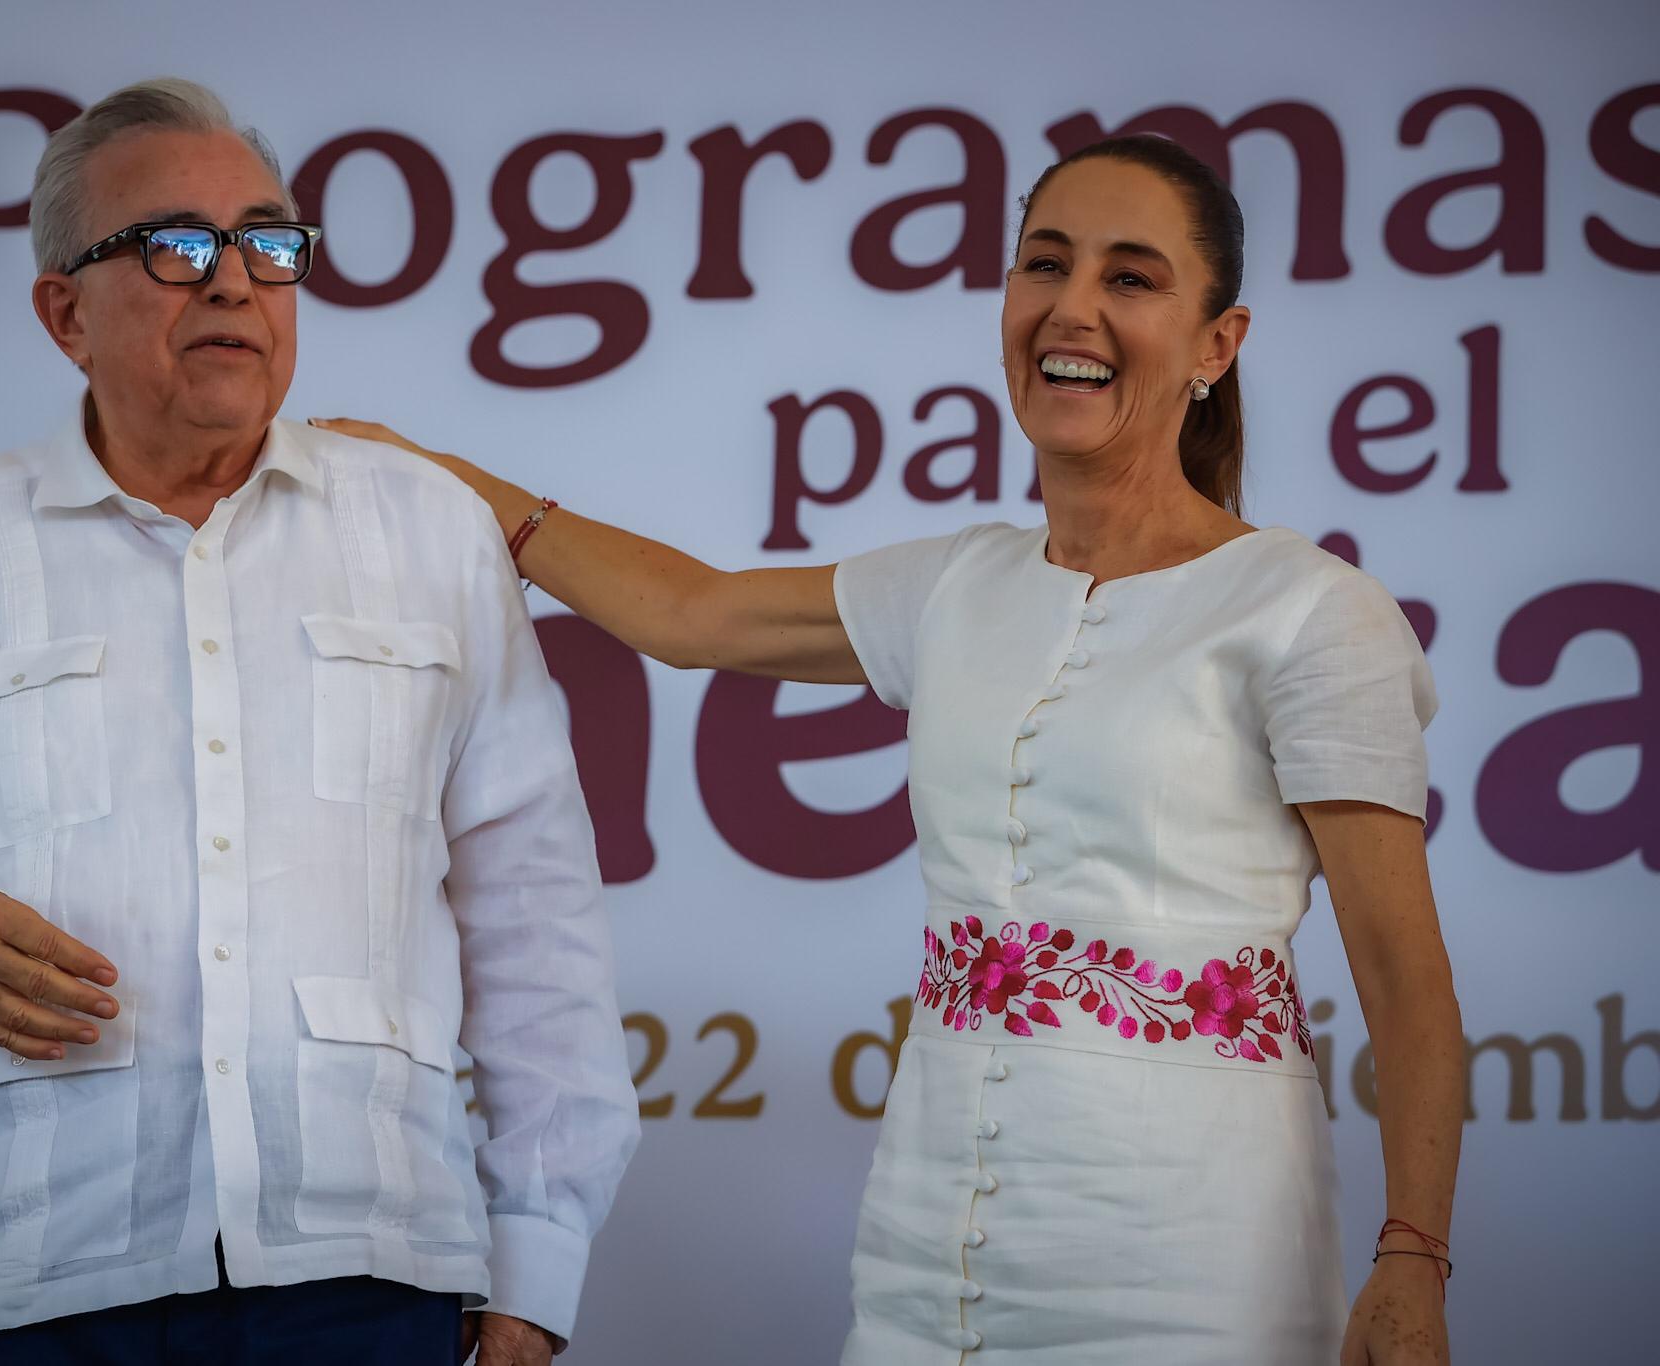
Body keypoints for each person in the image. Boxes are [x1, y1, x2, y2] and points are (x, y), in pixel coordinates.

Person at [317, 134, 1464, 1365]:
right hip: (928, 1236)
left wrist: (1411, 1253)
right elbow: (691, 615)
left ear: (1215, 344)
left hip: (1193, 1247)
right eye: (1044, 264)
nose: (1070, 308)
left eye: (1129, 278)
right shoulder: (959, 582)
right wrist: (450, 483)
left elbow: (1405, 985)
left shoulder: (1305, 608)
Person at [0, 78, 638, 1366]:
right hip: (0, 1286)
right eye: (173, 244)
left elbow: (536, 923)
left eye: (268, 243)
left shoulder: (429, 532)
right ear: (64, 312)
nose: (231, 283)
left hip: (363, 1282)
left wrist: (536, 1271)